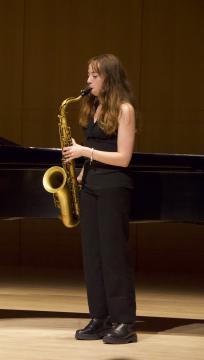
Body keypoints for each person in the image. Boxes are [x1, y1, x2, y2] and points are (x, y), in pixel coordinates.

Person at [62, 54, 137, 344]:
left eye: (94, 75)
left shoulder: (124, 109)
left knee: (113, 257)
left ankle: (124, 322)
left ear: (108, 78)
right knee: (92, 256)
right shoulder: (93, 107)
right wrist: (79, 173)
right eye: (88, 75)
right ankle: (100, 316)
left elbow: (123, 158)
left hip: (113, 188)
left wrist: (85, 152)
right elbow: (93, 150)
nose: (88, 80)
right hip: (91, 187)